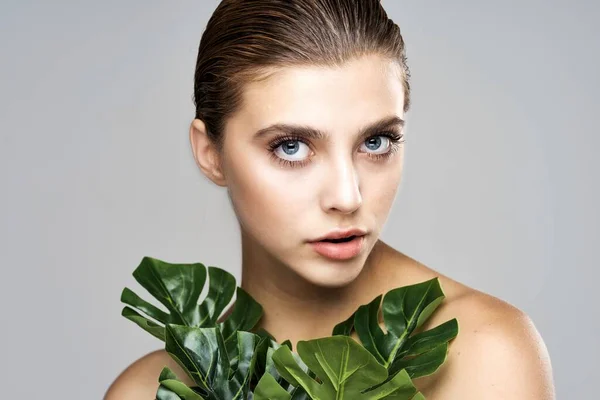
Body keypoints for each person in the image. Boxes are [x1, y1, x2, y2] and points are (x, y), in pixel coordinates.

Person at [104, 0, 555, 398]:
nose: (347, 195)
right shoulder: (150, 392)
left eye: (375, 142)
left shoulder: (482, 352)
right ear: (211, 154)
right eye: (291, 147)